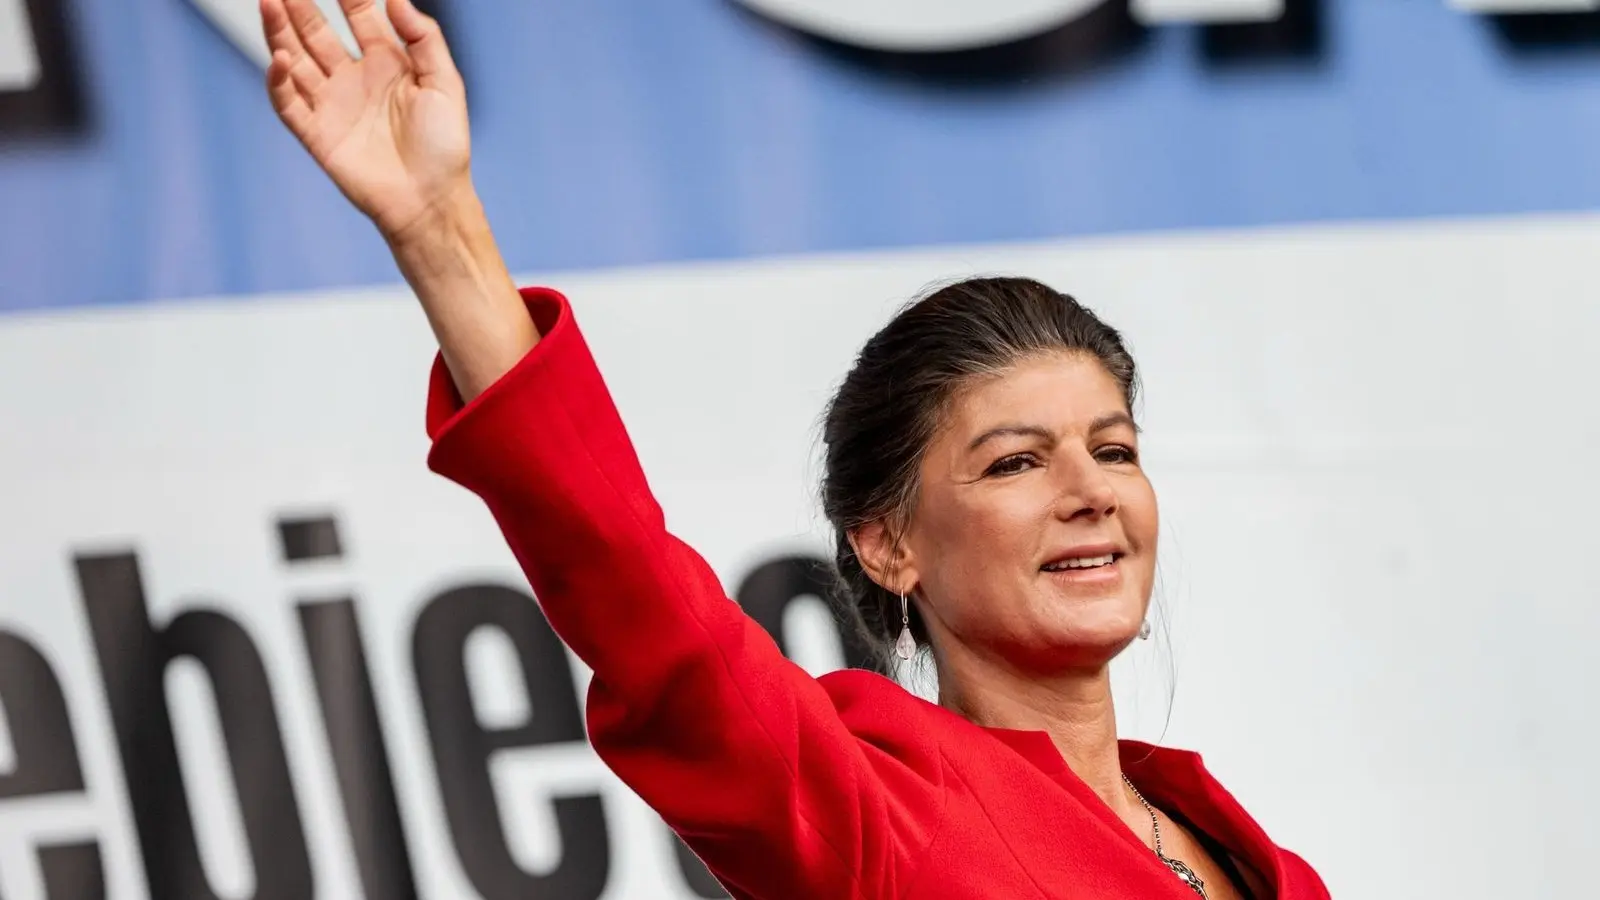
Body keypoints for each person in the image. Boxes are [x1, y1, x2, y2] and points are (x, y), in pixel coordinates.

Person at [259, 1, 1332, 896]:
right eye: (1015, 461)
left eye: (1114, 450)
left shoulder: (1254, 858)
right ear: (887, 545)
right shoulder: (880, 816)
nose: (1090, 491)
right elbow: (644, 608)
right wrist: (440, 228)